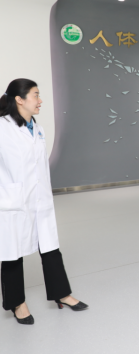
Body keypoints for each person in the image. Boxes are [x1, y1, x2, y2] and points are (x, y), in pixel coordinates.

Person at [0, 79, 88, 326]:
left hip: (40, 199)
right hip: (13, 200)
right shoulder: (2, 127)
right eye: (36, 95)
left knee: (50, 246)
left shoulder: (37, 128)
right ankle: (17, 303)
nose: (40, 101)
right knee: (12, 253)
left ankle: (62, 294)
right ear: (19, 99)